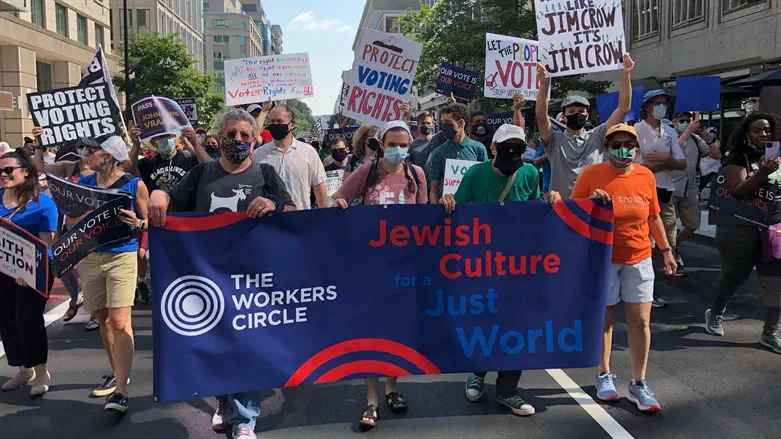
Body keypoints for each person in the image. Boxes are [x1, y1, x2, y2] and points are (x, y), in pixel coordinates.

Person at [148, 108, 295, 439]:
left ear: (256, 139)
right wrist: (159, 194)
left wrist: (275, 204)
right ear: (218, 137)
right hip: (207, 275)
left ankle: (245, 420)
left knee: (247, 343)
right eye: (231, 134)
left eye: (244, 134)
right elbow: (170, 199)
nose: (237, 140)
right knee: (216, 342)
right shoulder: (202, 173)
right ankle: (225, 401)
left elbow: (295, 212)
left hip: (251, 278)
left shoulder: (266, 174)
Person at [439, 124, 559, 417]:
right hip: (481, 266)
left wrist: (549, 201)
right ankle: (477, 373)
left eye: (519, 148)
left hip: (518, 268)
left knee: (517, 327)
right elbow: (457, 209)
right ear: (493, 149)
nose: (513, 153)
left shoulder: (530, 173)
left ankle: (507, 390)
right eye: (507, 148)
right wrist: (447, 201)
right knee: (484, 323)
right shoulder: (475, 174)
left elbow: (535, 214)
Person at [571, 123, 677, 413]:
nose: (623, 150)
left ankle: (638, 383)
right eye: (616, 144)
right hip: (603, 257)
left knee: (640, 321)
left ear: (636, 148)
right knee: (605, 319)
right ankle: (603, 375)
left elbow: (654, 216)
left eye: (629, 145)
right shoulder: (592, 175)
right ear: (606, 147)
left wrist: (666, 250)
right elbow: (574, 214)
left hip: (640, 257)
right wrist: (592, 204)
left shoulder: (645, 176)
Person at [329, 121, 426, 428]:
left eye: (404, 144)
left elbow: (424, 216)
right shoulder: (368, 172)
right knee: (371, 332)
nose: (399, 149)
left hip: (404, 265)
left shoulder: (416, 174)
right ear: (382, 144)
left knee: (397, 331)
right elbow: (338, 197)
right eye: (393, 144)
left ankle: (392, 389)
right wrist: (342, 201)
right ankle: (371, 400)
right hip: (370, 265)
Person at [75, 136, 149, 413]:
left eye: (92, 150)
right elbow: (72, 220)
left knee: (119, 321)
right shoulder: (83, 184)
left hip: (122, 254)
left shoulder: (133, 184)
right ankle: (117, 372)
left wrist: (140, 223)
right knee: (103, 319)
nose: (87, 154)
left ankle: (121, 390)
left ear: (109, 155)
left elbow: (151, 221)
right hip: (92, 256)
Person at [704, 113, 781, 354]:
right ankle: (715, 312)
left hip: (773, 228)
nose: (763, 135)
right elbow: (737, 191)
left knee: (775, 282)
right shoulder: (736, 157)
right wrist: (762, 173)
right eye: (757, 130)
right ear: (747, 133)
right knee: (734, 276)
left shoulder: (776, 156)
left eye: (767, 130)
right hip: (739, 227)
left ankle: (770, 332)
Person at [535, 53, 635, 199]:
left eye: (581, 111)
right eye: (572, 111)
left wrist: (625, 74)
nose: (577, 114)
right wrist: (544, 84)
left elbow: (623, 109)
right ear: (563, 117)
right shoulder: (554, 140)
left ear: (587, 115)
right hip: (562, 208)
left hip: (592, 207)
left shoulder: (597, 135)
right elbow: (541, 117)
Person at [0, 149, 58, 397]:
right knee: (6, 320)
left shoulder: (42, 203)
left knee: (28, 320)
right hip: (3, 270)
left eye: (8, 170)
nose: (3, 175)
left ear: (26, 171)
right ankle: (24, 369)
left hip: (33, 272)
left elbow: (47, 245)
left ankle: (41, 370)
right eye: (0, 171)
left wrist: (28, 270)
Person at [30, 133, 98, 328]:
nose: (85, 151)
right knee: (61, 265)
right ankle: (75, 298)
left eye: (89, 147)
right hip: (67, 223)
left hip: (90, 227)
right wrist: (38, 144)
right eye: (81, 147)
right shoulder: (70, 166)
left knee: (88, 270)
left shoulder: (99, 169)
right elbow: (40, 168)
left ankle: (95, 312)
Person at [634, 90, 686, 307]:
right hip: (643, 193)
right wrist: (662, 165)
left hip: (665, 193)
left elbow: (681, 163)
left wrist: (665, 160)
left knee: (667, 242)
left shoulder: (670, 132)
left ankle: (648, 279)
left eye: (664, 103)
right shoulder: (636, 130)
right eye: (656, 103)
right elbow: (635, 166)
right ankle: (647, 288)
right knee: (647, 242)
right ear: (647, 106)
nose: (661, 107)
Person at [671, 113, 721, 276]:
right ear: (674, 122)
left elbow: (715, 156)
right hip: (670, 189)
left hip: (690, 188)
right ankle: (671, 256)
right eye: (682, 121)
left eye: (688, 121)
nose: (686, 124)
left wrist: (709, 140)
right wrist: (687, 132)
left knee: (692, 225)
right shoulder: (667, 135)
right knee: (669, 227)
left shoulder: (695, 139)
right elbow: (672, 151)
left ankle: (672, 247)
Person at [252, 104, 327, 211]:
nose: (275, 125)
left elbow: (320, 188)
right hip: (270, 221)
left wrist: (324, 217)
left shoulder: (308, 152)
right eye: (272, 122)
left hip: (301, 220)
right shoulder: (258, 155)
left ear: (292, 124)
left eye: (279, 121)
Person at [428, 103, 489, 204]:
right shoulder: (438, 152)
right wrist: (436, 212)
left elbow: (485, 182)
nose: (443, 126)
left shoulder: (479, 149)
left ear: (460, 123)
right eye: (442, 122)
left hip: (473, 208)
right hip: (447, 209)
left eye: (447, 121)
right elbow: (434, 189)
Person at [698, 127, 723, 194]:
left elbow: (718, 155)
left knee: (716, 180)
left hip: (715, 163)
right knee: (704, 180)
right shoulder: (700, 142)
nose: (710, 135)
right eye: (707, 134)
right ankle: (700, 191)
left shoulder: (716, 141)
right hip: (705, 163)